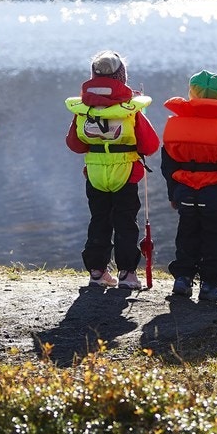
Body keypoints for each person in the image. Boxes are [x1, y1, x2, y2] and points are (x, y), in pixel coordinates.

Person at [65, 51, 160, 291]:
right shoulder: (130, 109)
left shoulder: (83, 109)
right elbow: (150, 145)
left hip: (95, 174)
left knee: (99, 220)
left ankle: (97, 272)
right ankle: (127, 274)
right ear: (122, 78)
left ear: (93, 75)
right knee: (126, 223)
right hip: (126, 173)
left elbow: (75, 145)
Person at [160, 69, 217, 304]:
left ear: (192, 93)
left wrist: (173, 193)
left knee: (187, 234)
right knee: (214, 238)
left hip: (185, 193)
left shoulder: (176, 123)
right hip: (216, 196)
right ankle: (209, 286)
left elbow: (167, 164)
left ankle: (183, 279)